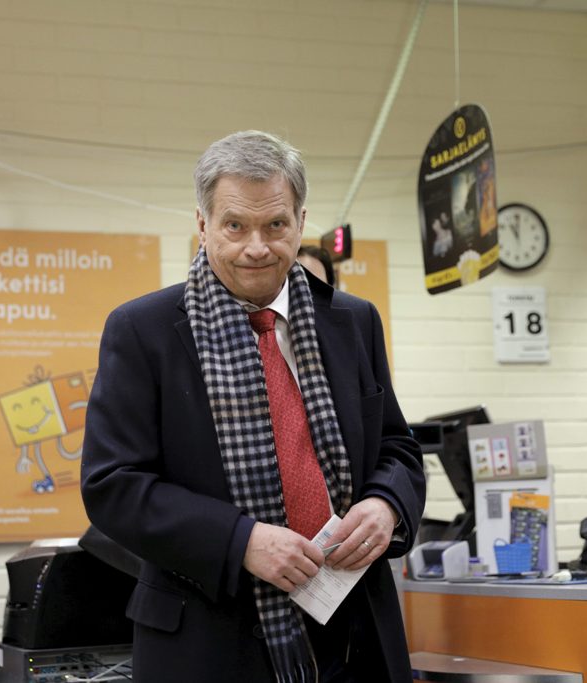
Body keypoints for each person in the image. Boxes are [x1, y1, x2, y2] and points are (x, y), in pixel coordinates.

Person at [81, 130, 425, 683]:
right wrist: (241, 541)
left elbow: (397, 448)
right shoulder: (143, 331)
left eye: (276, 225)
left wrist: (387, 504)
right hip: (210, 638)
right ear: (203, 224)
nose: (257, 247)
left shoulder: (353, 321)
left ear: (300, 220)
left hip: (355, 631)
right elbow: (112, 485)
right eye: (235, 225)